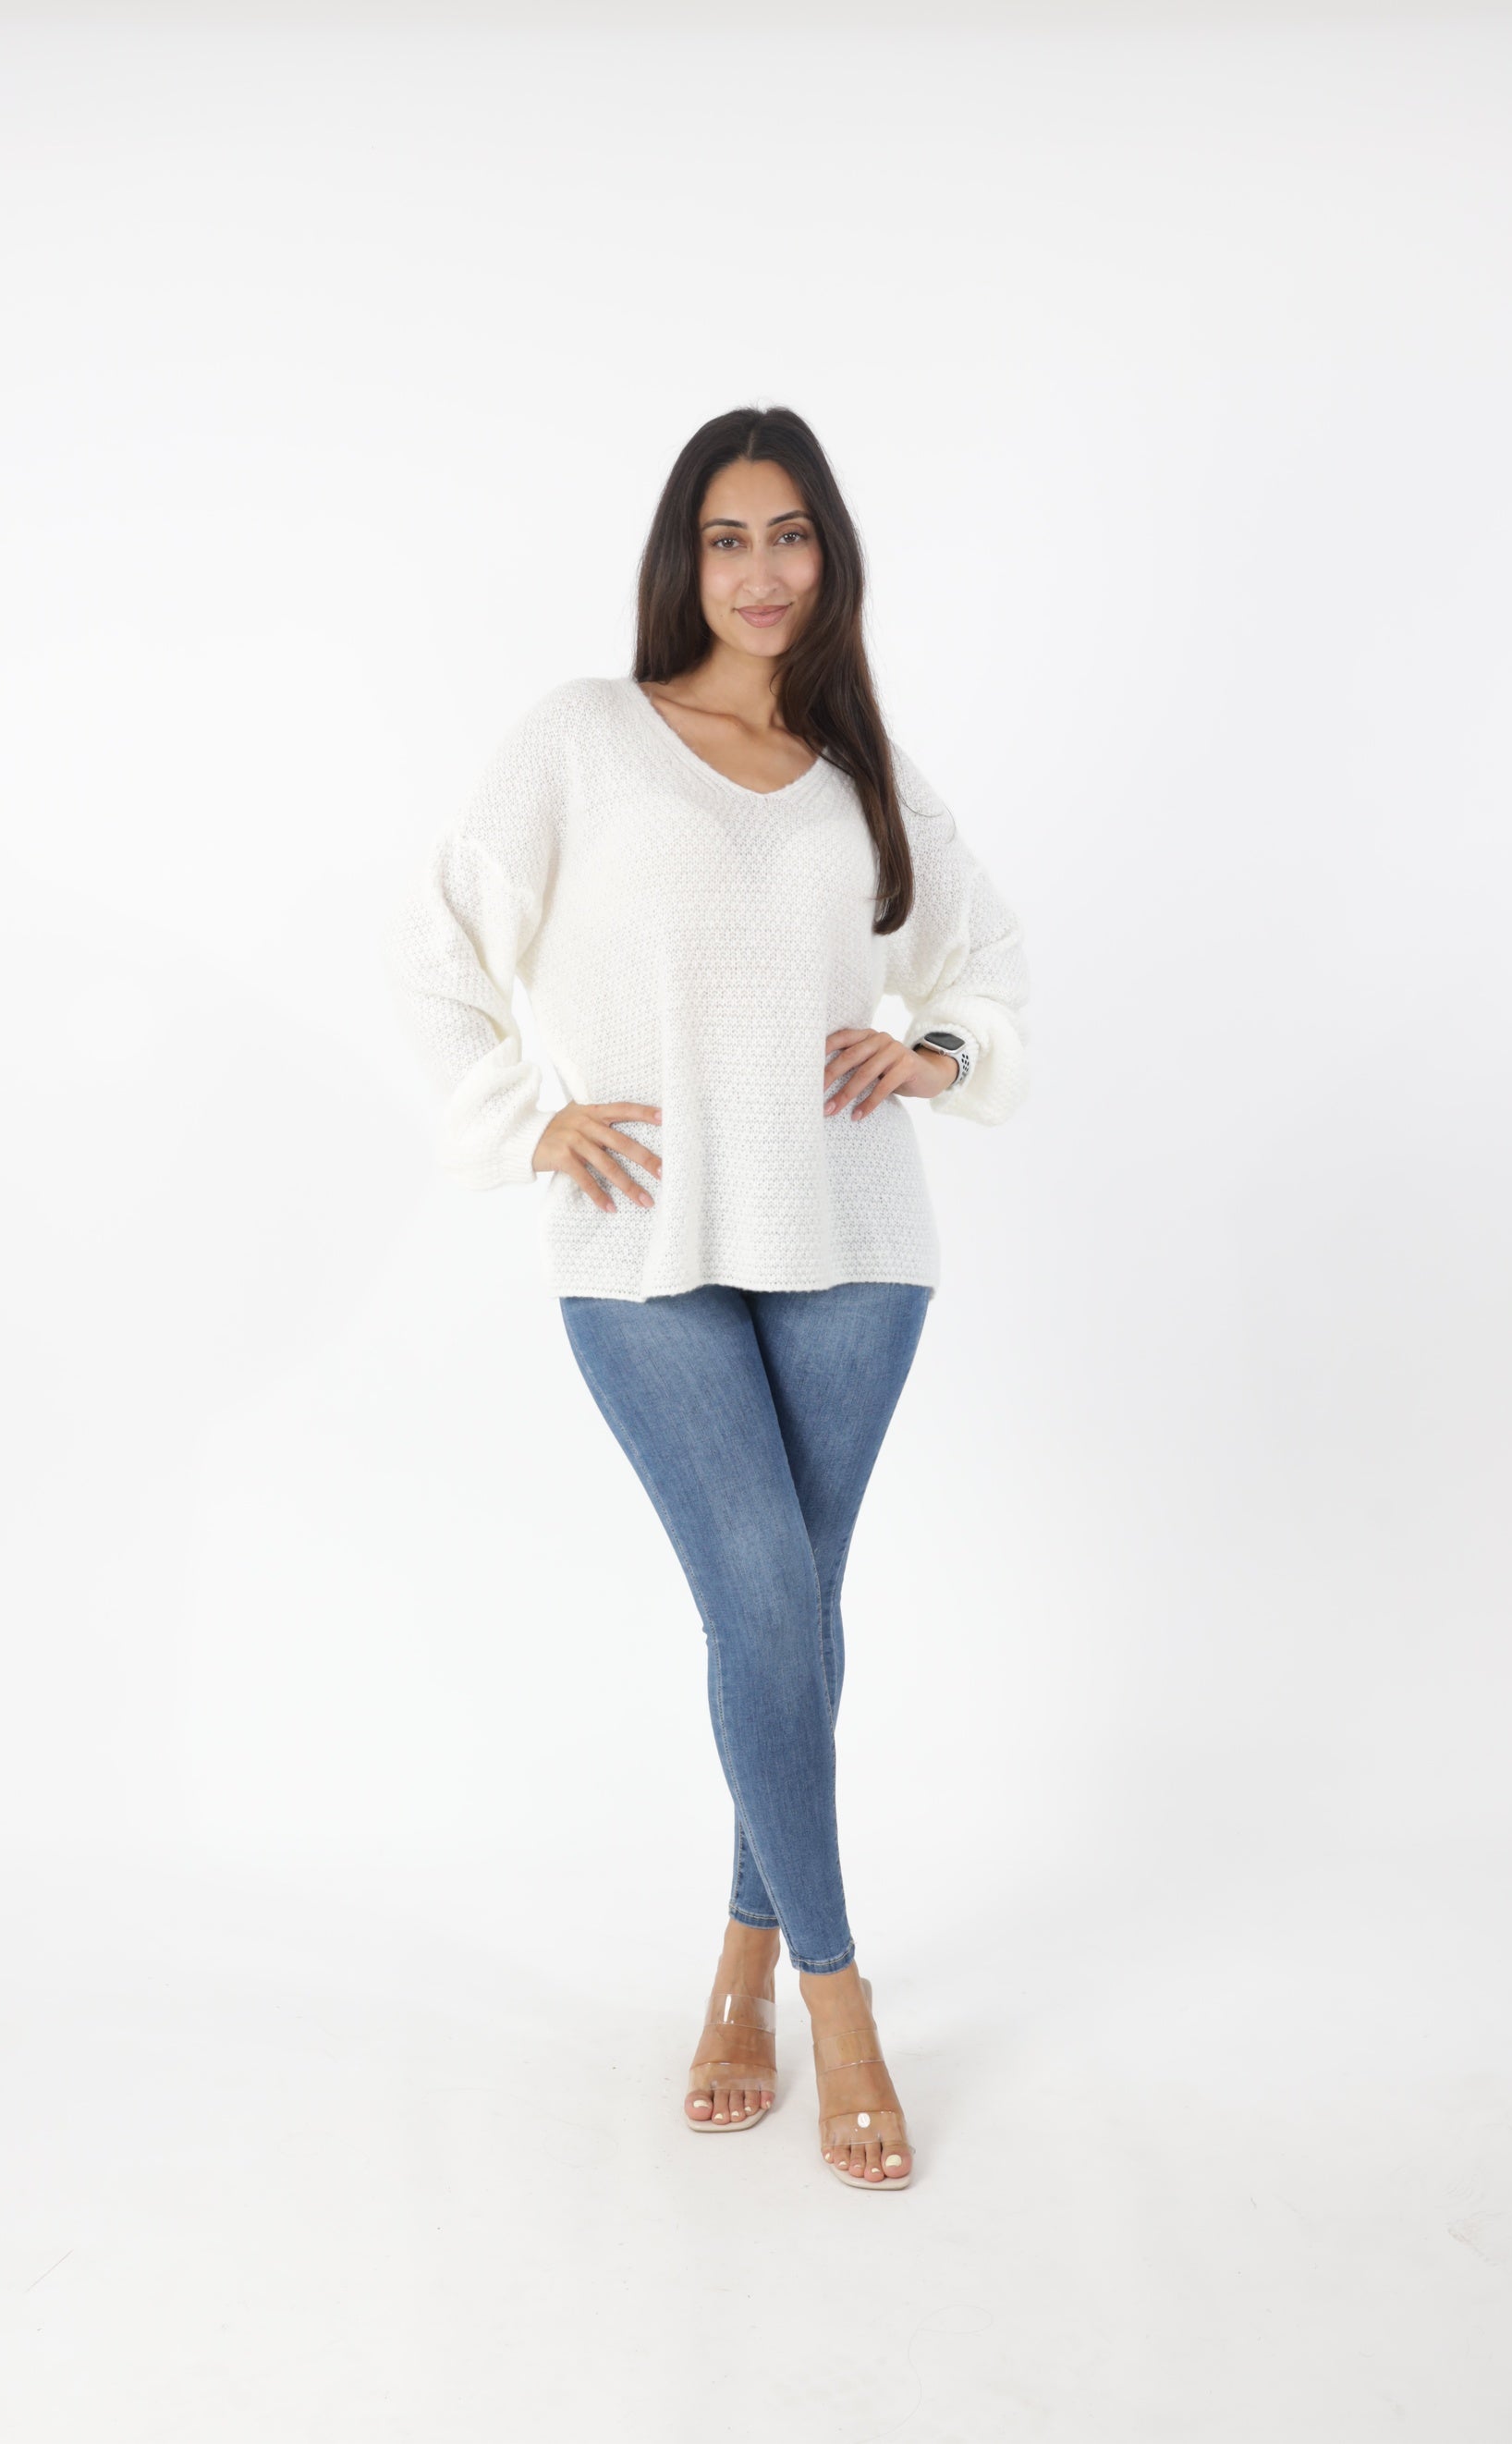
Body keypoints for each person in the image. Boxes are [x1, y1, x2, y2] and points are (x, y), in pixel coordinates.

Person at [384, 404, 1030, 2191]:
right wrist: (529, 1117)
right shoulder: (582, 740)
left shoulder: (858, 768)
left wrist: (936, 1052)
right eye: (730, 537)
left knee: (792, 1619)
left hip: (854, 1240)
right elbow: (436, 954)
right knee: (764, 1597)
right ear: (687, 555)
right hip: (641, 1244)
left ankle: (741, 1966)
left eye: (791, 535)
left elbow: (985, 955)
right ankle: (838, 1995)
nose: (762, 571)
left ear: (830, 557)